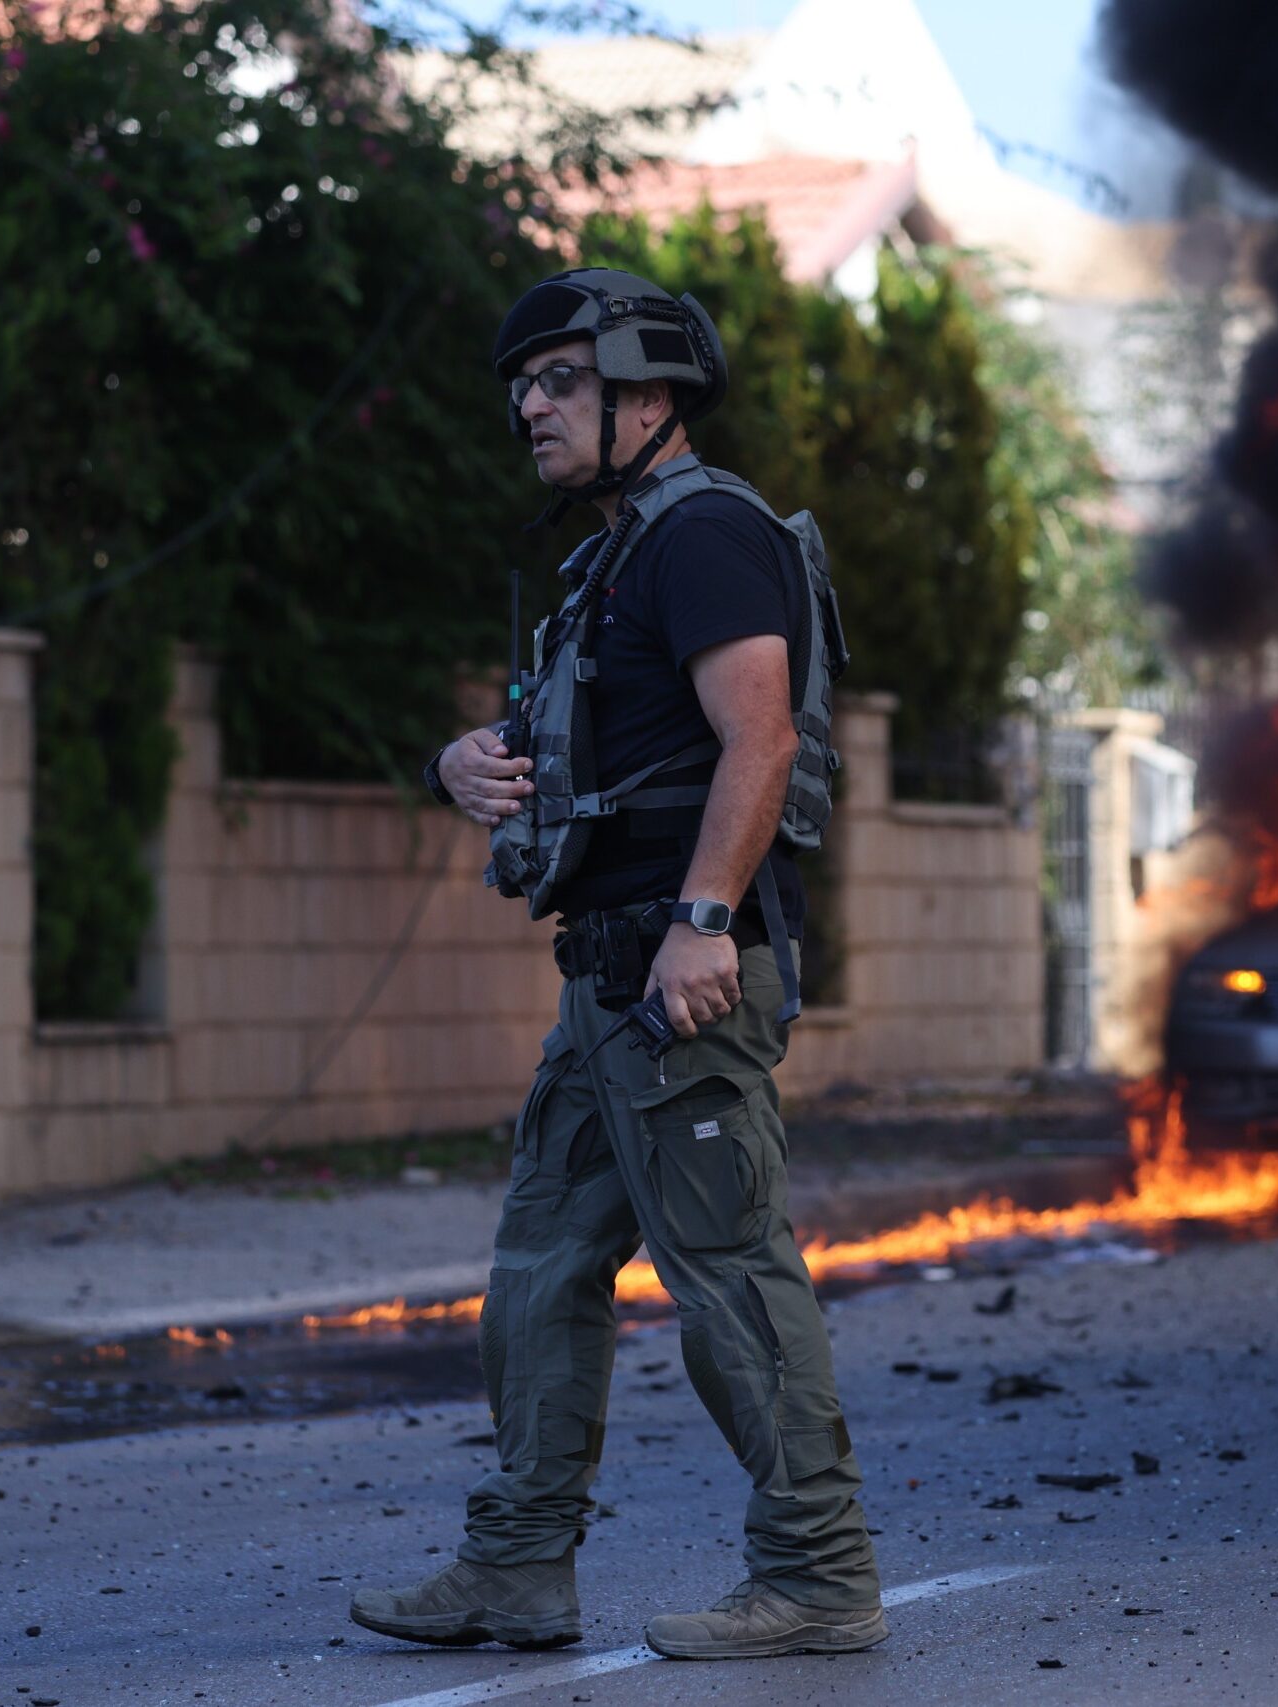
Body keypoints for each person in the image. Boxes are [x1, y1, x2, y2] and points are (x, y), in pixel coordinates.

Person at [348, 269, 883, 1661]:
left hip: (679, 973)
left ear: (650, 394)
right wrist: (459, 761)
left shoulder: (706, 534)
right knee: (540, 1264)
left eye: (562, 380)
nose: (529, 402)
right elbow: (586, 752)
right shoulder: (617, 552)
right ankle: (519, 1566)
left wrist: (704, 921)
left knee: (730, 1272)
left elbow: (758, 738)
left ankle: (820, 1574)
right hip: (608, 982)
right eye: (523, 383)